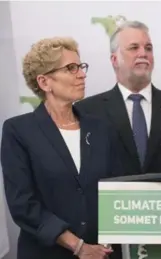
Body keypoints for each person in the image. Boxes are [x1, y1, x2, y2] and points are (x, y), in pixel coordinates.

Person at [1, 37, 122, 259]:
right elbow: (23, 205)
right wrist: (78, 247)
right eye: (71, 68)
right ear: (45, 82)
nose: (82, 74)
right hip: (46, 253)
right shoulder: (18, 131)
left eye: (81, 66)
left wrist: (104, 246)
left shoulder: (101, 128)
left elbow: (116, 191)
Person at [75, 20, 161, 176]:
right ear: (114, 60)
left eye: (148, 48)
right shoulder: (87, 110)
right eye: (134, 47)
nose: (143, 53)